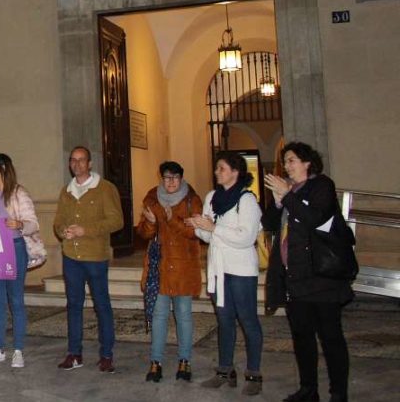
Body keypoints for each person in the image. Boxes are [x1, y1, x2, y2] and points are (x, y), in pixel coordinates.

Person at [264, 142, 352, 402]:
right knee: (302, 337)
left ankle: (338, 393)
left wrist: (289, 196)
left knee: (331, 337)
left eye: (291, 161)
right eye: (285, 162)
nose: (287, 166)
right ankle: (308, 389)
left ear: (307, 163)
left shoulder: (322, 186)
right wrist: (279, 203)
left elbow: (315, 218)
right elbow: (268, 223)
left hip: (322, 277)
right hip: (295, 277)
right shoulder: (287, 191)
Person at [190, 152, 264, 395]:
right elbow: (210, 237)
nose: (216, 172)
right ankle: (225, 370)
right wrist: (200, 226)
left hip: (241, 269)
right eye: (217, 168)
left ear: (235, 171)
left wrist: (214, 227)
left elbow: (246, 237)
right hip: (218, 269)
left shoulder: (247, 200)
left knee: (248, 320)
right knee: (223, 321)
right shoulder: (212, 197)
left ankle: (253, 374)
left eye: (221, 168)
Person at [52, 146, 124, 373]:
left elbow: (116, 221)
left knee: (102, 305)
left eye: (81, 160)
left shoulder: (105, 189)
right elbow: (58, 221)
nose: (77, 164)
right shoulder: (66, 191)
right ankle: (74, 353)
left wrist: (86, 230)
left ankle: (106, 354)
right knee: (73, 305)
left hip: (95, 256)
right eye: (73, 160)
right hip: (71, 256)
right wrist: (63, 230)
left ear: (90, 164)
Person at [136, 161, 203, 383]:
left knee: (183, 315)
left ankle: (185, 361)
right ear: (161, 179)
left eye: (175, 177)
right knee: (159, 315)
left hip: (183, 266)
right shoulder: (152, 199)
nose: (171, 182)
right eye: (166, 177)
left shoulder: (192, 200)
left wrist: (171, 218)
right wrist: (151, 222)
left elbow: (195, 232)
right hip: (161, 267)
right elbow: (143, 233)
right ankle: (156, 362)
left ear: (181, 179)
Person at [0, 153, 40, 368]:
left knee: (16, 299)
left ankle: (18, 349)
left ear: (2, 168)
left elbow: (33, 223)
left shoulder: (18, 193)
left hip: (14, 248)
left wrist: (19, 224)